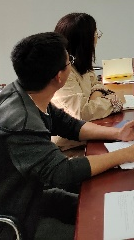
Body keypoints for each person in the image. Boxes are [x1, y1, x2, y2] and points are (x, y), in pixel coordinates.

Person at [0, 33, 134, 240]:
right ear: (59, 77)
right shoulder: (21, 123)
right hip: (2, 224)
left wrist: (118, 133)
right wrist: (126, 154)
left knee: (101, 207)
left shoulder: (23, 92)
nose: (72, 64)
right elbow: (63, 172)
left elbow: (68, 125)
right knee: (98, 231)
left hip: (27, 196)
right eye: (69, 61)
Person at [52, 12, 123, 150]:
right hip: (70, 147)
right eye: (95, 34)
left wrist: (93, 99)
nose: (97, 38)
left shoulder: (80, 62)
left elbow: (96, 84)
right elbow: (82, 114)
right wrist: (114, 102)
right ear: (84, 40)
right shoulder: (63, 72)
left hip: (87, 135)